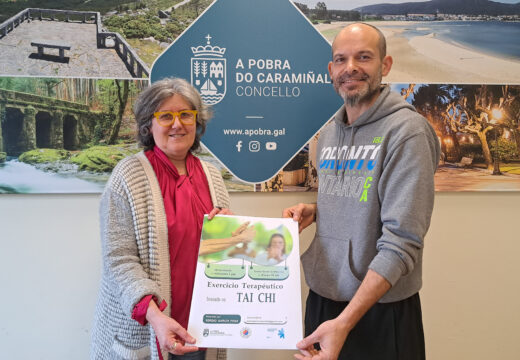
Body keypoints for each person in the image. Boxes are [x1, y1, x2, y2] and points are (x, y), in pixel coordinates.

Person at [283, 23, 440, 360]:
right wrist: (318, 210)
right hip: (323, 298)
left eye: (363, 57)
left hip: (379, 311)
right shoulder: (330, 134)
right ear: (331, 70)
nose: (350, 67)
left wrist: (346, 322)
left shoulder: (407, 132)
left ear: (385, 65)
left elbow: (403, 240)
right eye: (341, 59)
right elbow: (360, 195)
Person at [91, 78, 253, 360]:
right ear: (148, 125)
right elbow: (119, 259)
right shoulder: (127, 176)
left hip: (202, 333)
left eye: (185, 115)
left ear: (197, 122)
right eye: (166, 116)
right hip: (148, 330)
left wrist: (231, 235)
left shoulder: (213, 176)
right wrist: (154, 316)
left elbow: (223, 255)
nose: (177, 124)